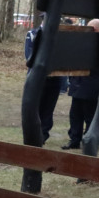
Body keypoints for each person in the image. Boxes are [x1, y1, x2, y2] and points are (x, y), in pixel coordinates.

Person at [63, 18, 99, 150]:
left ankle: (89, 140)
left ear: (95, 29)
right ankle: (74, 140)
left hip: (90, 84)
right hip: (78, 82)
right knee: (75, 114)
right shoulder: (85, 41)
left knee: (89, 115)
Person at [24, 15, 63, 144]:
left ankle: (44, 134)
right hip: (38, 77)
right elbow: (29, 54)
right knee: (37, 107)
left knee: (49, 107)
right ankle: (35, 134)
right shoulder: (33, 33)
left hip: (55, 77)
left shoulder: (60, 35)